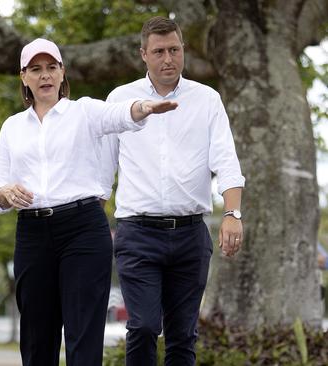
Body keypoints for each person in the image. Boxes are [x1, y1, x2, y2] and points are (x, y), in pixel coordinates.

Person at [0, 37, 177, 366]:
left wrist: (142, 107)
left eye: (51, 68)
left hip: (82, 230)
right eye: (36, 69)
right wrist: (4, 193)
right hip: (32, 234)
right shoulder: (12, 128)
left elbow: (119, 115)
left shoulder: (85, 112)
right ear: (24, 77)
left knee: (83, 334)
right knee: (36, 337)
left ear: (62, 73)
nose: (44, 75)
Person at [103, 16, 245, 365]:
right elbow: (102, 171)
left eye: (174, 50)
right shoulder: (120, 100)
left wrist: (232, 214)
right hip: (137, 234)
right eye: (159, 51)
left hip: (190, 236)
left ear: (183, 50)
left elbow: (227, 160)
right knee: (144, 326)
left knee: (183, 335)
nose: (168, 58)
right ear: (144, 54)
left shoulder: (207, 100)